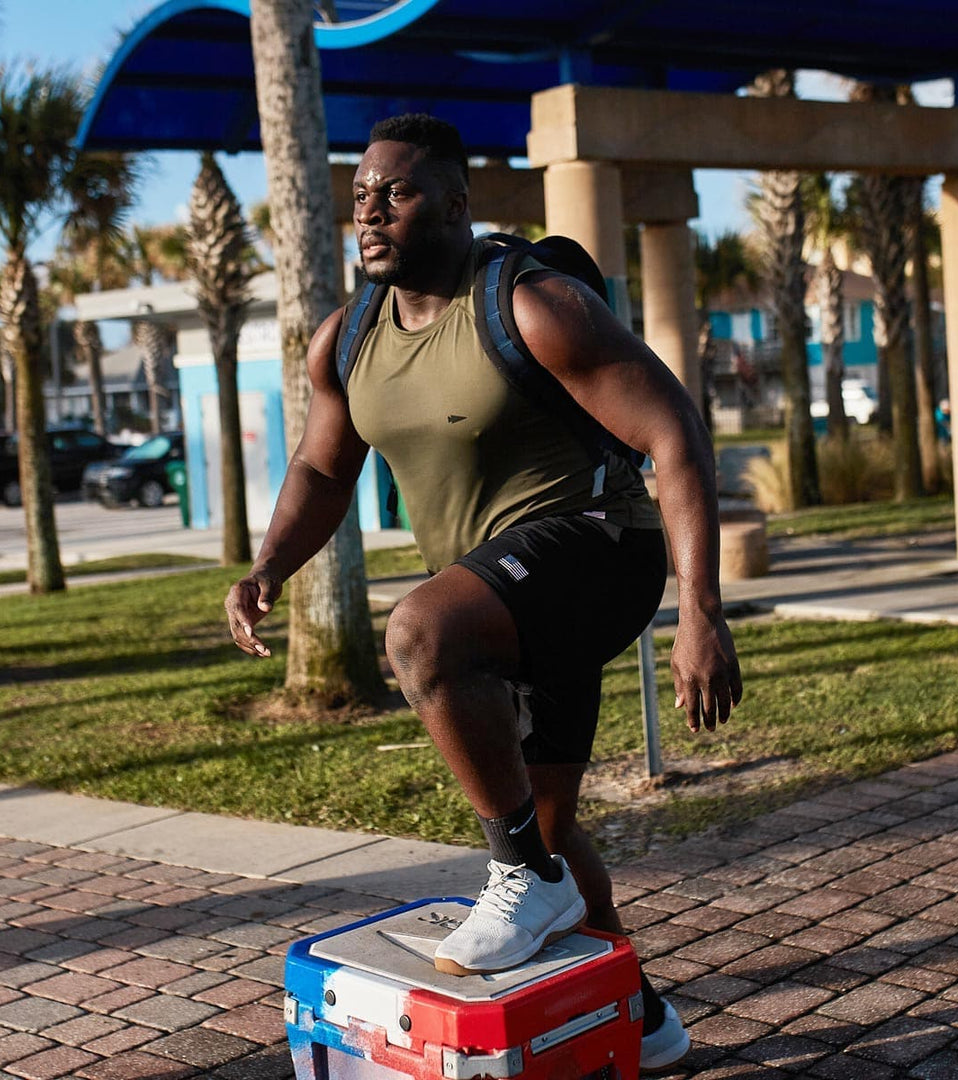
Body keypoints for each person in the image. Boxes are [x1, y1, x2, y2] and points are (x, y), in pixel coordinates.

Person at [225, 113, 742, 1074]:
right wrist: (268, 568)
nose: (371, 211)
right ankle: (639, 1010)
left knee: (421, 633)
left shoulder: (532, 305)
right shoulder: (348, 340)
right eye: (362, 194)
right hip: (505, 593)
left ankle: (515, 873)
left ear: (460, 204)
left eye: (399, 191)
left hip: (597, 549)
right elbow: (322, 470)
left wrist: (700, 611)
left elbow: (674, 433)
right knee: (549, 831)